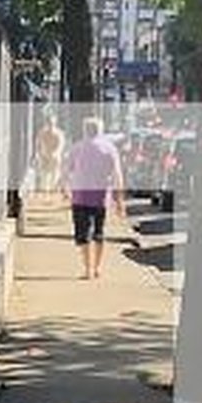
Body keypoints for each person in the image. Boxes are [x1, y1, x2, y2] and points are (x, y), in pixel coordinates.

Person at [60, 114, 122, 279]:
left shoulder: (76, 148)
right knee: (99, 232)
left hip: (80, 196)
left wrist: (64, 188)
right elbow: (117, 175)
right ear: (100, 131)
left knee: (83, 233)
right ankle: (96, 268)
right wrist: (119, 200)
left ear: (85, 130)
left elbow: (65, 171)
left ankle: (87, 269)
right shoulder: (109, 148)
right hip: (101, 196)